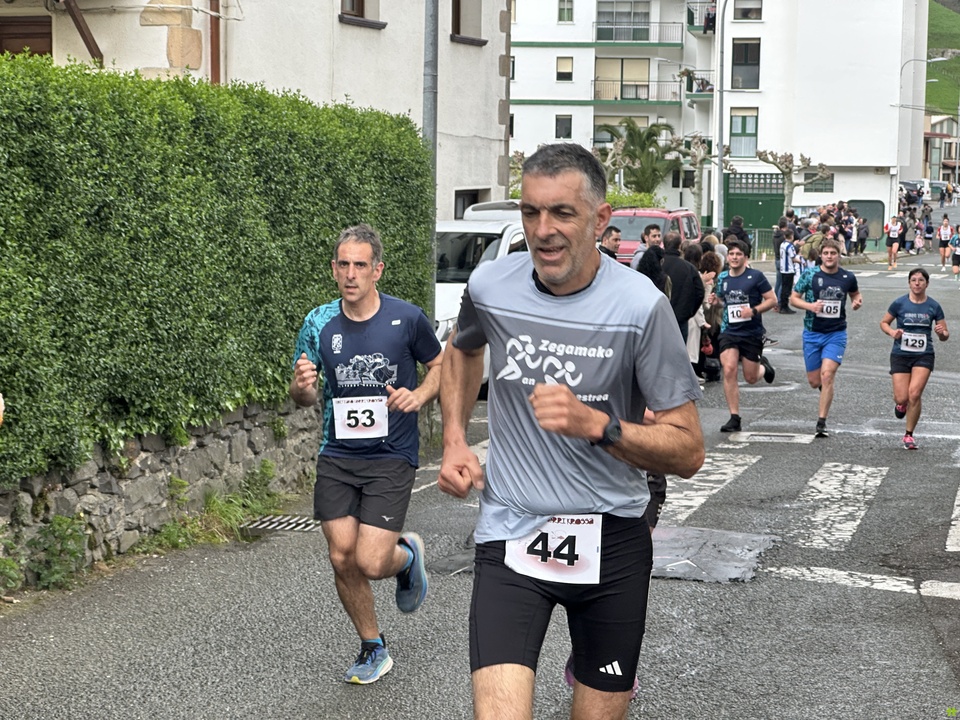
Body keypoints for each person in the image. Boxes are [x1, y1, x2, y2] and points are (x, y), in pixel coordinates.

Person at [437, 143, 705, 720]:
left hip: (612, 540)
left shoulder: (641, 308)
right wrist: (454, 439)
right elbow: (462, 350)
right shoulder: (490, 285)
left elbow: (688, 450)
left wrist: (599, 426)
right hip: (511, 530)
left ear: (601, 219)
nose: (543, 230)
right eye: (530, 212)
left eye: (562, 213)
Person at [289, 223, 443, 684]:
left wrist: (420, 395)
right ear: (333, 269)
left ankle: (406, 557)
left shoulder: (407, 318)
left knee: (372, 561)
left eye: (360, 265)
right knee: (342, 556)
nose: (351, 274)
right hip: (337, 453)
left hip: (391, 453)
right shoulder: (318, 323)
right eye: (343, 264)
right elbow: (304, 396)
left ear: (377, 270)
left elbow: (440, 365)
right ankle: (372, 646)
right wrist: (302, 388)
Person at [789, 239, 862, 437]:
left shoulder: (847, 276)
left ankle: (821, 422)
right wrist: (810, 306)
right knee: (815, 381)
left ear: (839, 255)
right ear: (820, 255)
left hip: (836, 333)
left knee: (827, 375)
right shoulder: (810, 274)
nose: (829, 256)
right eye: (826, 253)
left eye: (833, 253)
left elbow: (855, 294)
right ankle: (825, 388)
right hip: (812, 333)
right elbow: (793, 298)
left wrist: (856, 302)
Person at [709, 239, 777, 432]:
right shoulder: (723, 277)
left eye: (739, 254)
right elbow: (723, 301)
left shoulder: (756, 277)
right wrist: (715, 301)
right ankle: (734, 417)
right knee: (729, 368)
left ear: (745, 258)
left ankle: (763, 368)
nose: (734, 257)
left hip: (751, 332)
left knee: (751, 378)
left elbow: (772, 300)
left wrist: (754, 311)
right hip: (729, 331)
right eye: (731, 254)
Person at [880, 268, 949, 450]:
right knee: (902, 397)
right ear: (909, 283)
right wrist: (892, 332)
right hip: (900, 354)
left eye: (921, 280)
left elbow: (945, 334)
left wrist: (941, 333)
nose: (917, 283)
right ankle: (901, 405)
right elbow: (884, 323)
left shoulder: (934, 306)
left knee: (915, 394)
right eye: (914, 280)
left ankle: (909, 435)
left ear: (927, 284)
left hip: (924, 354)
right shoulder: (899, 303)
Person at [661, 231, 705, 343]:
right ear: (679, 246)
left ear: (664, 244)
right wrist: (689, 312)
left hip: (659, 318)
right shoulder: (688, 268)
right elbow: (700, 292)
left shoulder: (657, 265)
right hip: (680, 319)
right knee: (679, 351)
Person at [777, 229, 799, 314]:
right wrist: (801, 261)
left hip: (783, 268)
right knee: (787, 289)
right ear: (792, 236)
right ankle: (784, 307)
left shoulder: (782, 244)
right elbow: (793, 258)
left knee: (784, 288)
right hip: (789, 269)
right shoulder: (790, 246)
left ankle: (782, 306)